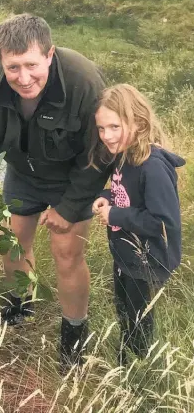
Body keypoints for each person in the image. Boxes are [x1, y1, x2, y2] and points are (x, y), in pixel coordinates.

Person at [0, 13, 110, 369]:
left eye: (31, 64)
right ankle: (19, 306)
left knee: (66, 253)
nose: (23, 78)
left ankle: (73, 335)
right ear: (0, 60)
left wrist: (70, 207)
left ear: (49, 54)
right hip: (22, 172)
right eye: (13, 67)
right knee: (12, 242)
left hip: (72, 177)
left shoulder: (83, 80)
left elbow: (101, 152)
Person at [91, 84, 185, 364]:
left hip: (146, 261)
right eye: (101, 129)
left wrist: (115, 216)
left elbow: (161, 222)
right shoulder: (125, 154)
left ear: (139, 122)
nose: (106, 136)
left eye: (114, 127)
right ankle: (127, 356)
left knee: (138, 318)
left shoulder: (152, 166)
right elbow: (129, 194)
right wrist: (105, 196)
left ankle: (140, 368)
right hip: (126, 254)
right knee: (123, 310)